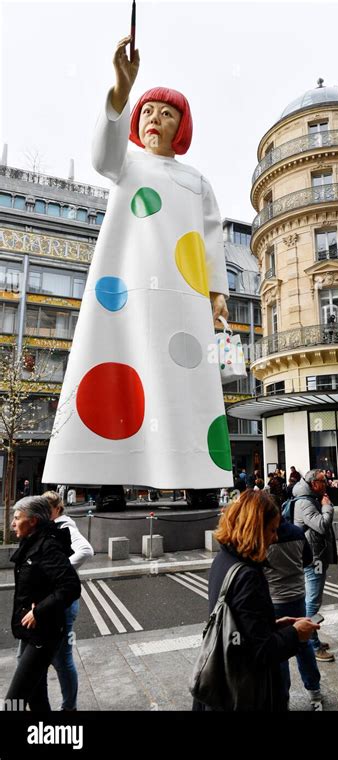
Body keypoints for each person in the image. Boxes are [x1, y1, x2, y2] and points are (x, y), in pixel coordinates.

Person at [42, 34, 232, 492]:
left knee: (185, 380)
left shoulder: (197, 180)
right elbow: (101, 154)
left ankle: (200, 481)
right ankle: (107, 481)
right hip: (124, 287)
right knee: (115, 365)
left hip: (181, 294)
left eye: (167, 114)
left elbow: (211, 238)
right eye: (148, 111)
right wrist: (121, 91)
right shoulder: (126, 164)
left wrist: (217, 291)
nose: (155, 119)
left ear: (180, 127)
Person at [193, 490, 320, 711]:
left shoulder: (223, 559)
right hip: (244, 691)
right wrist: (294, 633)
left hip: (223, 678)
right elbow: (261, 651)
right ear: (254, 528)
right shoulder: (248, 575)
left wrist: (274, 626)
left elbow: (241, 627)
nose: (276, 537)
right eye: (271, 529)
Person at [5, 496, 81, 711]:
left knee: (14, 701)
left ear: (33, 521)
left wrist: (39, 610)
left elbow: (70, 586)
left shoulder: (47, 546)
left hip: (44, 634)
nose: (12, 522)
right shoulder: (31, 542)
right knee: (36, 699)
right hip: (31, 632)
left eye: (18, 517)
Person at [264, 512, 322, 709]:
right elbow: (307, 560)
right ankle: (314, 691)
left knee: (279, 647)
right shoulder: (297, 532)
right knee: (303, 644)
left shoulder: (264, 536)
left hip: (274, 599)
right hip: (297, 596)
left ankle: (283, 697)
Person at [43, 491, 94, 711]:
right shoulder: (50, 526)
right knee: (30, 659)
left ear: (56, 509)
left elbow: (86, 550)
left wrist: (60, 569)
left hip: (62, 602)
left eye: (46, 509)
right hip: (48, 602)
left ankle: (69, 707)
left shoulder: (65, 526)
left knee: (62, 660)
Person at [292, 469, 337, 662]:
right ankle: (313, 644)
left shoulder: (310, 498)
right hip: (313, 559)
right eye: (322, 481)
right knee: (312, 602)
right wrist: (327, 507)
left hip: (315, 555)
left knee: (311, 601)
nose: (325, 483)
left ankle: (313, 638)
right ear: (313, 483)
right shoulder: (304, 502)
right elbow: (321, 525)